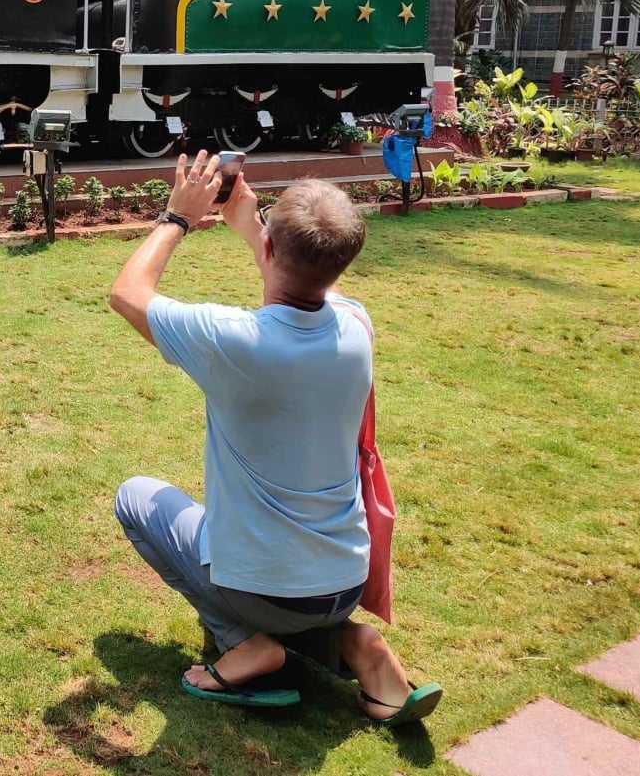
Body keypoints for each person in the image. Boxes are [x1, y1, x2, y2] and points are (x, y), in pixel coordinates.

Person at [107, 151, 440, 726]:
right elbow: (301, 280)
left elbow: (127, 293)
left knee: (136, 496)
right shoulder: (356, 324)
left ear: (268, 251)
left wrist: (176, 217)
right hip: (344, 581)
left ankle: (245, 642)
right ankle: (356, 644)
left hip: (270, 595)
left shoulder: (233, 341)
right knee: (297, 595)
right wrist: (251, 224)